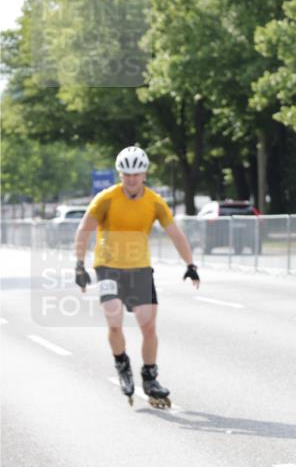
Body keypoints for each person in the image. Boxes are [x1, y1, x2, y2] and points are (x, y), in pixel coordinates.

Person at [73, 146, 200, 408]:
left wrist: (190, 264)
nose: (131, 180)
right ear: (120, 174)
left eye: (136, 174)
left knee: (148, 326)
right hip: (108, 266)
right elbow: (84, 229)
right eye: (126, 175)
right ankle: (122, 364)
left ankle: (150, 378)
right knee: (115, 320)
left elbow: (176, 233)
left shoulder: (154, 202)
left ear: (144, 174)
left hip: (140, 269)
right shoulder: (106, 198)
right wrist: (79, 264)